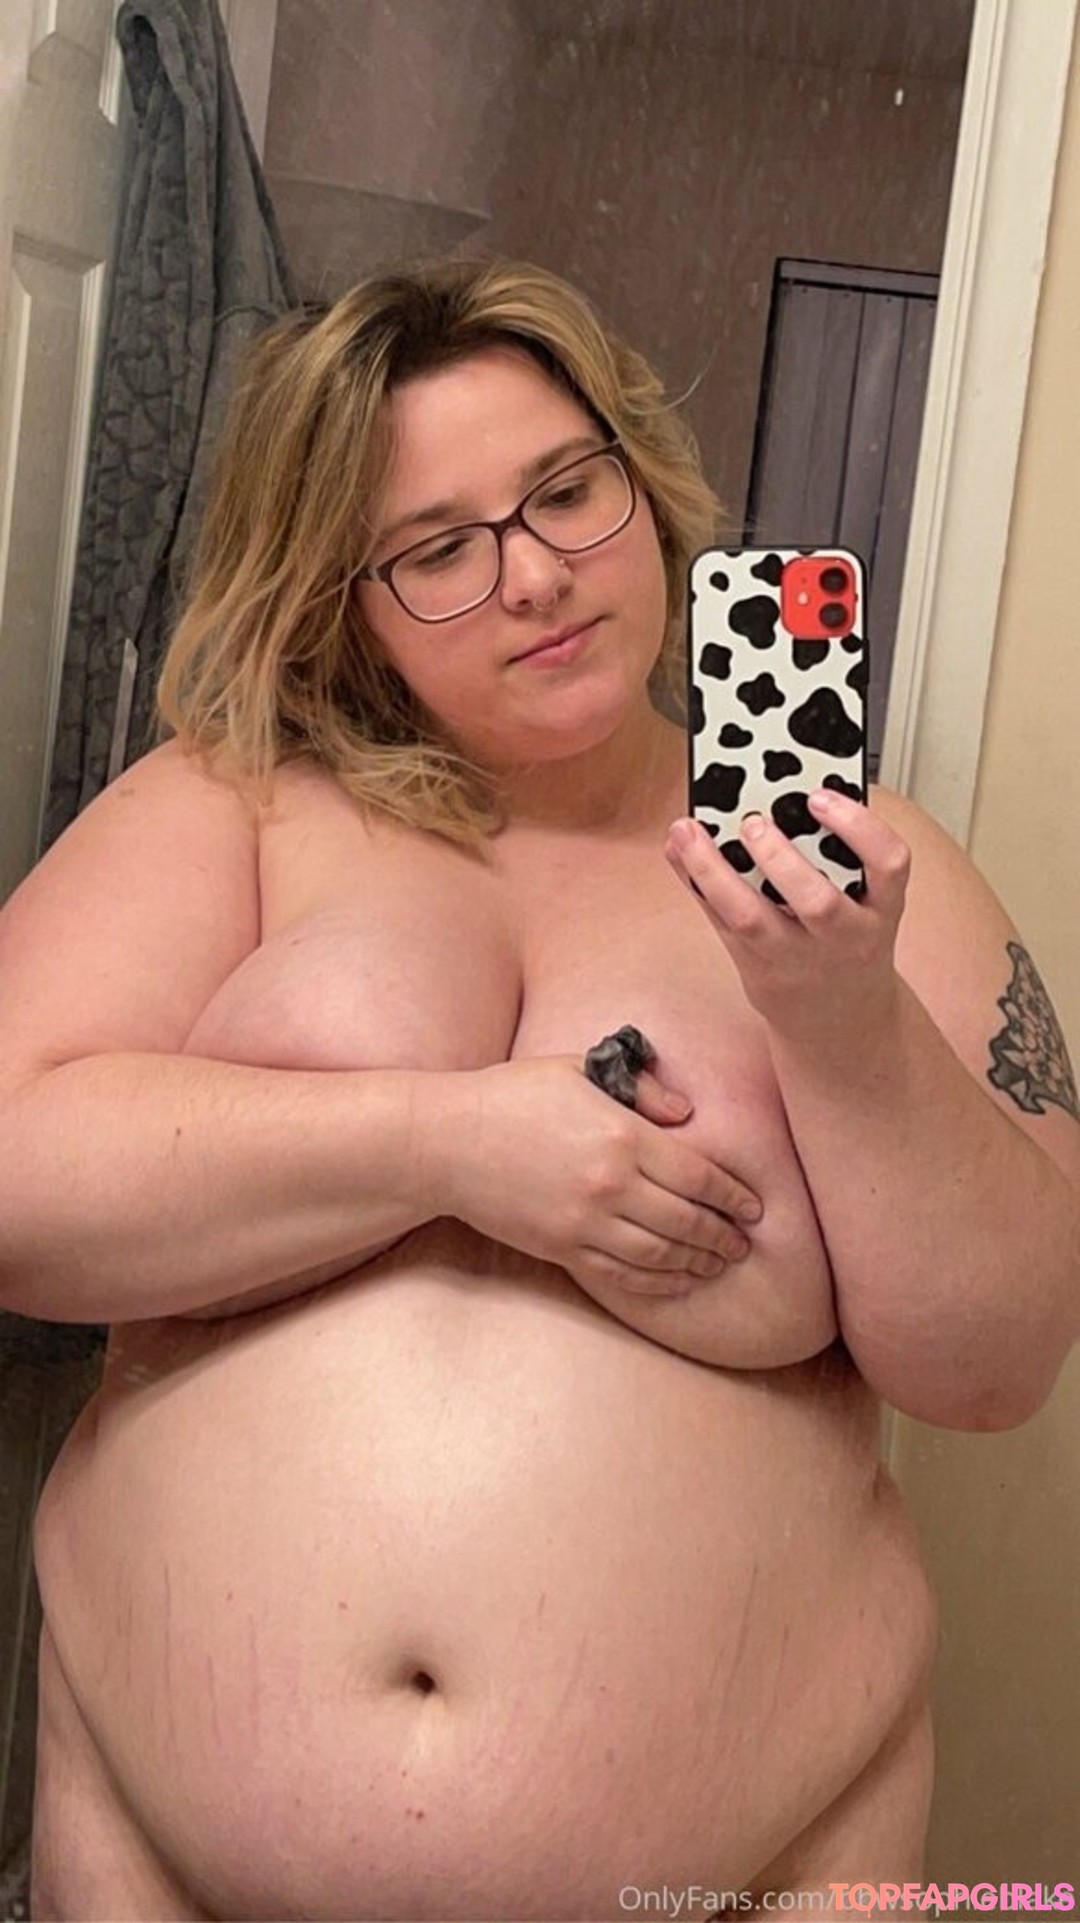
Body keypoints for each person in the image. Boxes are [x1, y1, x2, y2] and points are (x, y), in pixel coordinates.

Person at [2, 256, 1077, 1923]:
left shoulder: (855, 864)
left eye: (567, 490)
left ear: (642, 483)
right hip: (164, 1872)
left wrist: (842, 1020)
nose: (535, 576)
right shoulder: (235, 806)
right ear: (341, 600)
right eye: (437, 549)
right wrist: (451, 1142)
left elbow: (1000, 1362)